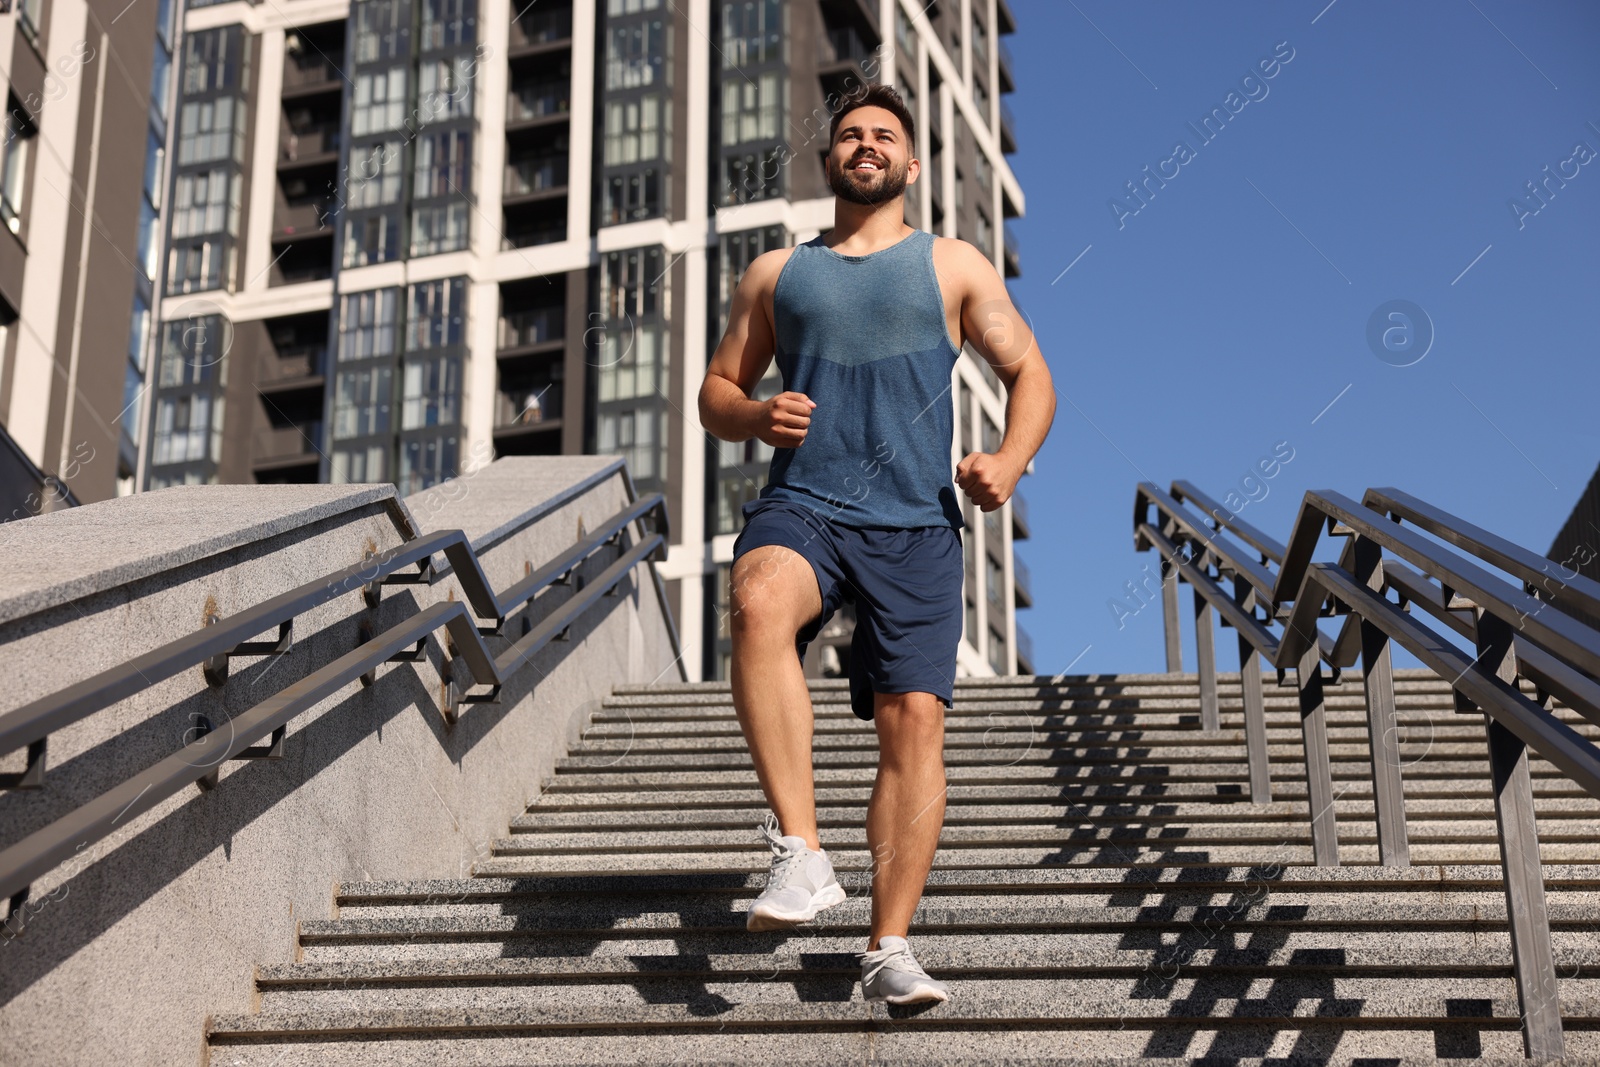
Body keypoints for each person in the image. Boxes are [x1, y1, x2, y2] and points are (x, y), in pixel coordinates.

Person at [697, 83, 1055, 1005]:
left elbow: (1032, 375)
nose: (865, 145)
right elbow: (715, 391)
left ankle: (888, 944)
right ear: (831, 162)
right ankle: (801, 851)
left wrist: (1008, 464)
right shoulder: (778, 274)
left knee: (915, 724)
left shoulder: (954, 266)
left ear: (910, 163)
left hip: (916, 522)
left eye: (883, 136)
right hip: (807, 502)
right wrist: (755, 413)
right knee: (757, 599)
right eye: (850, 135)